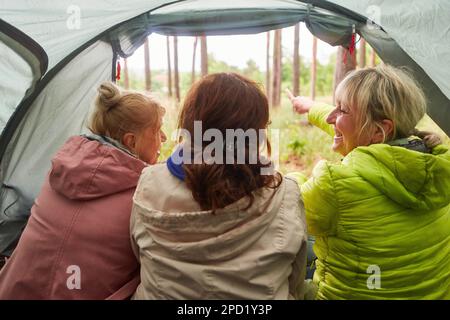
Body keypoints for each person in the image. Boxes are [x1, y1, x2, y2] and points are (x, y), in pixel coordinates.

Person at [130, 72, 308, 299]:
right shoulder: (285, 193)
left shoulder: (149, 182)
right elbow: (295, 280)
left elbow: (138, 255)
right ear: (255, 133)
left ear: (190, 124)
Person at [288, 64, 450, 299]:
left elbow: (285, 209)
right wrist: (311, 107)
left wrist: (294, 178)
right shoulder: (437, 169)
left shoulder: (335, 185)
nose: (332, 117)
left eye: (342, 110)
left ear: (380, 131)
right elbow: (341, 123)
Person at [0, 82, 166, 299]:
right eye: (157, 130)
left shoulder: (59, 170)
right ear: (131, 142)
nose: (163, 137)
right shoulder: (143, 193)